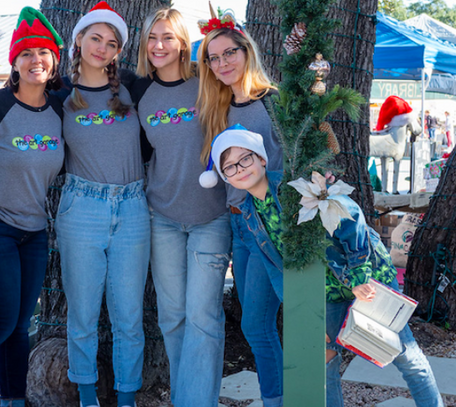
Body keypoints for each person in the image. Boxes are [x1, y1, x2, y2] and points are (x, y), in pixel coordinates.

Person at [209, 124, 444, 407]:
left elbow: (350, 216)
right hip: (327, 293)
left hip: (367, 277)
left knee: (403, 353)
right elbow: (277, 269)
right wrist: (302, 315)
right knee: (327, 359)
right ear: (226, 179)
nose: (240, 169)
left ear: (261, 158)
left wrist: (359, 276)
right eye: (230, 168)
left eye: (245, 158)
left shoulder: (297, 187)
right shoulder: (250, 214)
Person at [0, 8, 64, 407]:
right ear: (15, 62)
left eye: (43, 52)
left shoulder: (59, 109)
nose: (35, 59)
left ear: (54, 60)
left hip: (34, 231)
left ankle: (12, 400)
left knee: (20, 326)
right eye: (26, 53)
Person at [132, 8, 231, 407]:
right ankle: (186, 398)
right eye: (153, 37)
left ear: (183, 42)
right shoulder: (140, 93)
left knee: (203, 318)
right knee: (172, 316)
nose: (159, 45)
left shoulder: (207, 81)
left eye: (169, 37)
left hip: (211, 216)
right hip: (163, 219)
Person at [54, 3, 149, 407]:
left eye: (112, 43)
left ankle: (126, 398)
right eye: (95, 37)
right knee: (83, 316)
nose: (102, 47)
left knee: (129, 317)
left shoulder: (131, 87)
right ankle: (88, 397)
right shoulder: (58, 93)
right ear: (78, 38)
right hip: (82, 209)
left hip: (132, 209)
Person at [196, 12, 284, 407]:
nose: (222, 63)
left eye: (228, 52)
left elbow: (293, 162)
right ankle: (277, 397)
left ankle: (283, 398)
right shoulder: (219, 108)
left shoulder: (274, 103)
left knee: (261, 324)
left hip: (271, 225)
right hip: (238, 227)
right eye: (212, 58)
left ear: (246, 51)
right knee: (257, 326)